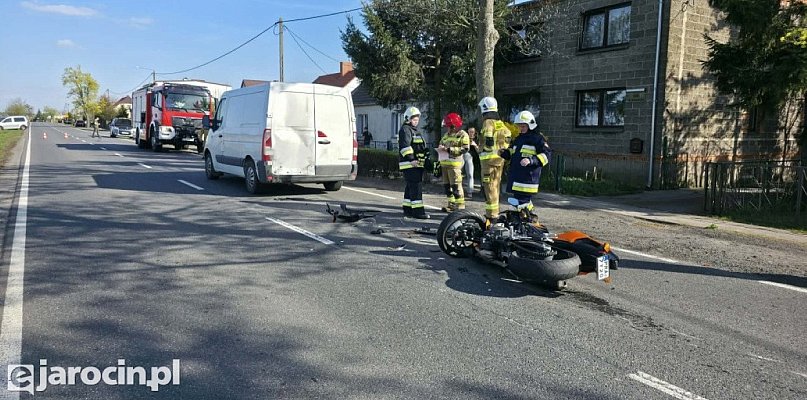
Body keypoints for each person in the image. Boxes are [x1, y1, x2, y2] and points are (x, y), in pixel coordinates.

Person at [499, 110, 551, 221]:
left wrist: (531, 160)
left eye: (523, 126)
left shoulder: (537, 139)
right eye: (519, 126)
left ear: (530, 125)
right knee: (519, 203)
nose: (520, 129)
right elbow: (513, 152)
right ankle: (525, 220)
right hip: (517, 178)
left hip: (528, 179)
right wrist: (504, 153)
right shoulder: (519, 139)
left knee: (522, 202)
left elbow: (547, 155)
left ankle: (529, 220)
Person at [477, 96, 512, 220]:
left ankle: (491, 216)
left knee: (489, 187)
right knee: (496, 186)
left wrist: (483, 150)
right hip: (499, 160)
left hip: (488, 162)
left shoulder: (488, 122)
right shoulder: (500, 123)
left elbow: (489, 140)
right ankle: (495, 213)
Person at [398, 107, 430, 219]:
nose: (416, 121)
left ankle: (407, 209)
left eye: (417, 119)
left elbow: (420, 147)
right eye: (414, 119)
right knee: (416, 188)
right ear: (408, 118)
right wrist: (412, 159)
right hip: (410, 164)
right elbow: (405, 147)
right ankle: (418, 212)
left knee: (410, 187)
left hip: (416, 164)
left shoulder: (414, 130)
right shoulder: (406, 130)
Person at [438, 112, 470, 212]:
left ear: (455, 126)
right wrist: (440, 148)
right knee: (447, 187)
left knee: (456, 186)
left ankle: (460, 206)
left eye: (449, 126)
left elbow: (465, 149)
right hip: (444, 165)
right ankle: (451, 204)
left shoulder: (462, 134)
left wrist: (449, 150)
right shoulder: (445, 135)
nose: (447, 128)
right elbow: (441, 144)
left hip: (454, 166)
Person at [462, 126, 479, 198]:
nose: (470, 134)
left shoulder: (477, 140)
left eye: (472, 132)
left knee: (470, 174)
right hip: (462, 156)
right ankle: (459, 190)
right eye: (469, 132)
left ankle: (470, 191)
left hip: (471, 158)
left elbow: (479, 151)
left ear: (475, 133)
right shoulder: (464, 138)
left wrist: (475, 145)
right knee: (459, 174)